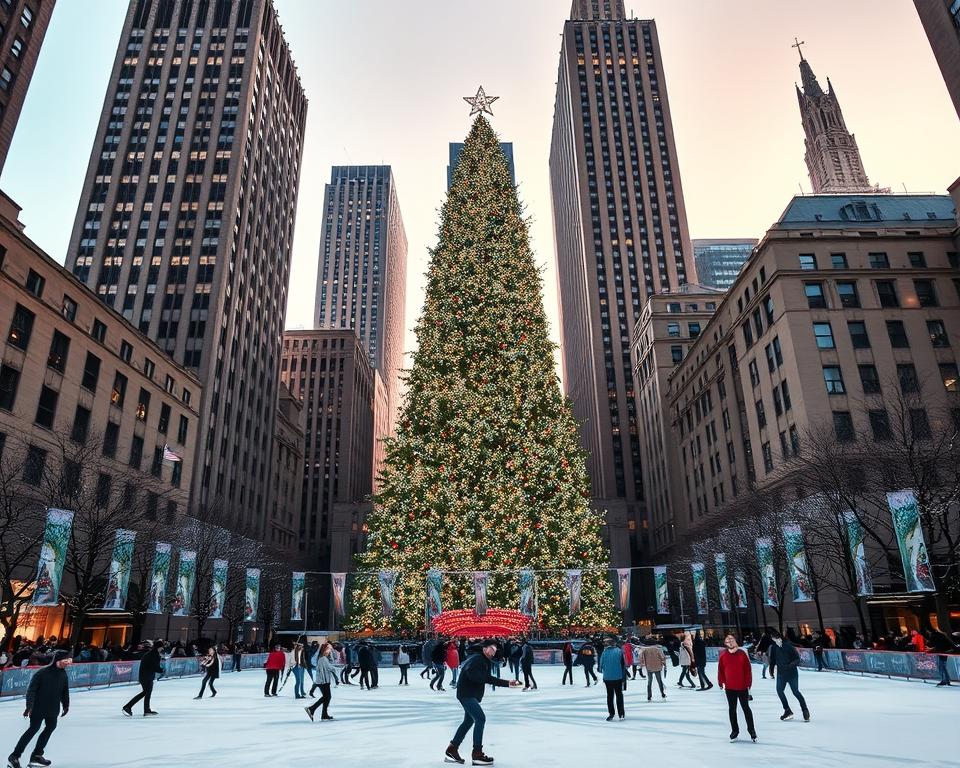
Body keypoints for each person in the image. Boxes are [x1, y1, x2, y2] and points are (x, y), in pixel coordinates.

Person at [443, 639, 522, 765]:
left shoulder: (482, 660)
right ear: (485, 648)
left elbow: (486, 678)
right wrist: (484, 678)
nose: (494, 652)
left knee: (468, 721)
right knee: (480, 718)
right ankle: (477, 753)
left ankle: (452, 749)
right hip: (466, 694)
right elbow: (472, 673)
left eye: (495, 650)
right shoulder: (477, 659)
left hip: (469, 694)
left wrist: (507, 683)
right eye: (492, 648)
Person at [7, 651, 71, 768]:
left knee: (51, 727)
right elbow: (31, 690)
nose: (68, 663)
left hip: (53, 708)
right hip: (38, 707)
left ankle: (37, 755)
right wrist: (29, 706)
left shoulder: (63, 674)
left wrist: (66, 705)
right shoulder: (42, 673)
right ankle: (14, 756)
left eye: (69, 660)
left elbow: (64, 691)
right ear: (58, 660)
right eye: (66, 660)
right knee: (33, 729)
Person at [718, 634, 756, 743]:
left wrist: (748, 684)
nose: (730, 642)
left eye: (732, 640)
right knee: (732, 709)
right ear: (725, 644)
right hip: (730, 688)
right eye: (728, 641)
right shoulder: (723, 655)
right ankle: (735, 731)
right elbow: (720, 670)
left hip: (742, 687)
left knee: (746, 709)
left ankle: (751, 730)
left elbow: (747, 670)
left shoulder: (741, 654)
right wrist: (721, 682)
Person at [769, 629, 810, 722]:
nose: (775, 639)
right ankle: (787, 710)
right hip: (781, 674)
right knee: (779, 691)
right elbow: (772, 660)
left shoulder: (788, 646)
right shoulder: (774, 647)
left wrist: (790, 666)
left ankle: (805, 709)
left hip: (792, 673)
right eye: (773, 638)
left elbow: (797, 659)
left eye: (776, 637)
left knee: (795, 691)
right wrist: (771, 670)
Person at [123, 640, 164, 716]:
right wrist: (161, 670)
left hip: (146, 676)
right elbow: (153, 666)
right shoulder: (154, 655)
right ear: (159, 647)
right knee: (145, 692)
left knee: (146, 693)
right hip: (146, 677)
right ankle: (128, 706)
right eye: (162, 647)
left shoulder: (152, 654)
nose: (162, 649)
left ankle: (146, 709)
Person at [304, 642, 337, 721]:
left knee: (327, 697)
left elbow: (330, 663)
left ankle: (323, 714)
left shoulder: (323, 657)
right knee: (327, 697)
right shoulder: (323, 658)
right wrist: (334, 669)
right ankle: (312, 709)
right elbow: (330, 667)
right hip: (323, 681)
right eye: (329, 649)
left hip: (323, 680)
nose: (330, 650)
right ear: (325, 649)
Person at [599, 637, 626, 721]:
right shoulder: (619, 651)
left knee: (610, 696)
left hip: (607, 677)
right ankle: (621, 713)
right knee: (619, 695)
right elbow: (623, 664)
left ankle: (611, 713)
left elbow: (600, 666)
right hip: (618, 676)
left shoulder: (604, 653)